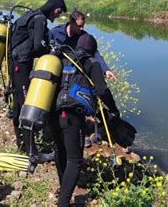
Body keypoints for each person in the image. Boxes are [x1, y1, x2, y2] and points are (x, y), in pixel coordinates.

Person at [49, 33, 120, 206]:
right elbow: (102, 91)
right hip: (71, 116)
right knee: (75, 160)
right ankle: (63, 202)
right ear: (93, 50)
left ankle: (63, 185)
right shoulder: (91, 63)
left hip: (51, 113)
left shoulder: (62, 57)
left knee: (60, 149)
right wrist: (114, 109)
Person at [8, 0, 67, 156]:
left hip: (15, 62)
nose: (57, 15)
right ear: (55, 8)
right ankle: (32, 152)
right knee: (28, 104)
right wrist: (52, 52)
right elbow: (37, 47)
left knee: (18, 102)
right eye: (59, 11)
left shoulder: (32, 14)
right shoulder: (40, 19)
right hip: (21, 63)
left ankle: (21, 143)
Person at [49, 9, 116, 80]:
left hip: (73, 74)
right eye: (79, 26)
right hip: (55, 69)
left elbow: (95, 53)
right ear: (71, 23)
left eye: (83, 26)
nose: (81, 28)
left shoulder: (84, 37)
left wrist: (105, 70)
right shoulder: (55, 32)